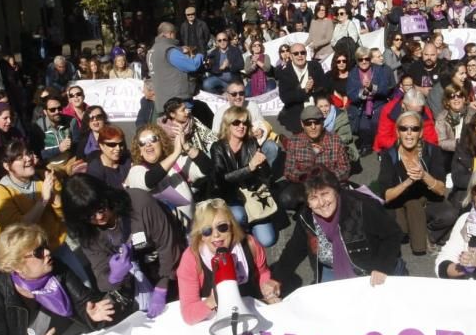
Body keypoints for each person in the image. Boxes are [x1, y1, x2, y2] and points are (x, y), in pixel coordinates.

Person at [0, 224, 117, 335]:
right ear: (17, 265)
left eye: (45, 246)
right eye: (38, 252)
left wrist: (90, 314)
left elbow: (84, 301)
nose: (47, 252)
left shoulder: (56, 267)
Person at [61, 176, 183, 318]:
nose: (99, 217)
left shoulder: (139, 203)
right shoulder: (87, 233)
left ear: (106, 196)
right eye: (90, 216)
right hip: (137, 281)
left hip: (170, 265)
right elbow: (101, 279)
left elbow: (168, 244)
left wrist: (163, 286)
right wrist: (114, 276)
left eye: (101, 208)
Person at [275, 166, 404, 288]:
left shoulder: (361, 205)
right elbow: (294, 249)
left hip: (371, 269)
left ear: (336, 191)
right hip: (332, 269)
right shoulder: (307, 216)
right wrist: (276, 279)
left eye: (325, 194)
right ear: (307, 202)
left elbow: (392, 234)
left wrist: (382, 267)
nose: (321, 203)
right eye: (313, 197)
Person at [177, 199, 281, 325]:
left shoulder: (250, 244)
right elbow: (188, 314)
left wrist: (269, 287)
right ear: (201, 235)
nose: (216, 235)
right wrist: (212, 301)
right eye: (207, 231)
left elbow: (262, 273)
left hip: (251, 312)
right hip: (216, 320)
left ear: (232, 227)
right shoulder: (191, 259)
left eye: (222, 227)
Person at [378, 111, 456, 256]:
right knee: (400, 231)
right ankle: (413, 228)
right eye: (404, 128)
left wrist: (424, 175)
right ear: (397, 132)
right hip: (400, 201)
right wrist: (408, 182)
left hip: (426, 198)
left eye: (414, 129)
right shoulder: (389, 155)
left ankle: (426, 233)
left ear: (420, 133)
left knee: (449, 215)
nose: (409, 133)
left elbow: (440, 189)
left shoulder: (433, 151)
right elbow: (386, 195)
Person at [209, 107, 279, 248]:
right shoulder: (218, 147)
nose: (241, 126)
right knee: (239, 216)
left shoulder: (251, 143)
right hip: (230, 196)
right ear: (227, 124)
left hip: (252, 194)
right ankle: (241, 232)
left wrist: (263, 164)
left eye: (245, 123)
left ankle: (250, 224)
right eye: (236, 122)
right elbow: (222, 179)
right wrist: (250, 167)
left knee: (268, 240)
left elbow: (266, 176)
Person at [0, 139, 67, 253]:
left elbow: (63, 216)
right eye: (19, 157)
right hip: (24, 255)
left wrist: (54, 196)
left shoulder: (44, 177)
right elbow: (18, 228)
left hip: (55, 244)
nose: (28, 158)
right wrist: (43, 200)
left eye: (28, 153)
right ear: (7, 166)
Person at [127, 122, 210, 229]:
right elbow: (149, 181)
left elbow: (207, 169)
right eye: (142, 142)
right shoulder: (136, 171)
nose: (148, 144)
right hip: (164, 238)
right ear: (140, 151)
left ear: (161, 143)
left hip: (191, 231)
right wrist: (175, 153)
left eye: (153, 139)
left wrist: (187, 147)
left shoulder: (177, 163)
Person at [281, 104, 352, 211]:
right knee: (286, 198)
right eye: (308, 123)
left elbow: (345, 169)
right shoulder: (294, 142)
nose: (313, 127)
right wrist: (305, 177)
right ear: (302, 124)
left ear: (322, 122)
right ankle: (306, 209)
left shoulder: (335, 140)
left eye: (317, 122)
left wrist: (324, 178)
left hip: (329, 184)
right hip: (305, 185)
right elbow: (289, 171)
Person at [149, 22, 205, 118]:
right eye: (175, 34)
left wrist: (179, 50)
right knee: (184, 131)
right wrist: (200, 55)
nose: (175, 37)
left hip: (162, 101)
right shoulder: (169, 50)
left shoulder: (151, 51)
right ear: (170, 34)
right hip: (179, 103)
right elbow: (192, 66)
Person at [277, 41, 330, 133]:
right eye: (296, 53)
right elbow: (285, 98)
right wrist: (304, 90)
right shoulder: (284, 73)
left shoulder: (315, 66)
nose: (300, 55)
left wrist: (314, 87)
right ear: (290, 55)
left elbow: (325, 87)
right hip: (297, 114)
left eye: (302, 52)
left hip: (316, 110)